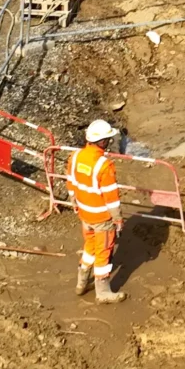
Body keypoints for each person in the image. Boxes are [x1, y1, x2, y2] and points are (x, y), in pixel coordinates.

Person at [71, 119, 126, 303]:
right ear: (102, 141)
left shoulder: (76, 157)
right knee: (103, 252)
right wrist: (118, 219)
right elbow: (111, 198)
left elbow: (71, 184)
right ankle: (102, 292)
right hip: (102, 217)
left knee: (90, 247)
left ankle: (81, 283)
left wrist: (75, 203)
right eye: (108, 139)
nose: (109, 142)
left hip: (84, 214)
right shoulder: (104, 165)